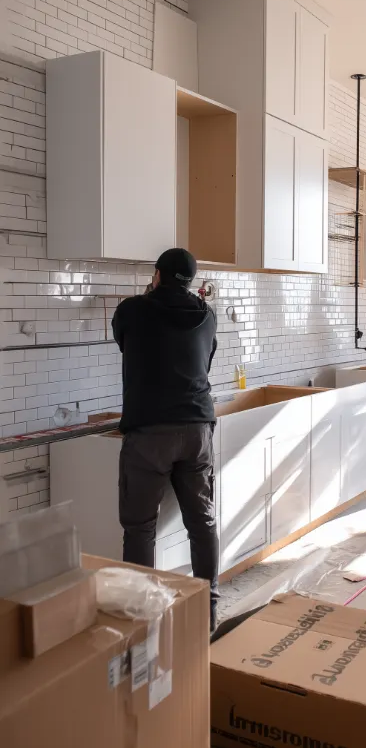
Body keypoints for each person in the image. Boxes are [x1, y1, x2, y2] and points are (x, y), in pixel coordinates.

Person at [112, 248, 220, 629]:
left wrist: (148, 292)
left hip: (150, 433)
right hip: (196, 429)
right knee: (202, 522)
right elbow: (204, 360)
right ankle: (208, 609)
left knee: (141, 527)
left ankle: (140, 616)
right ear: (191, 280)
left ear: (156, 274)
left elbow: (126, 343)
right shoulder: (207, 315)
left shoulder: (131, 309)